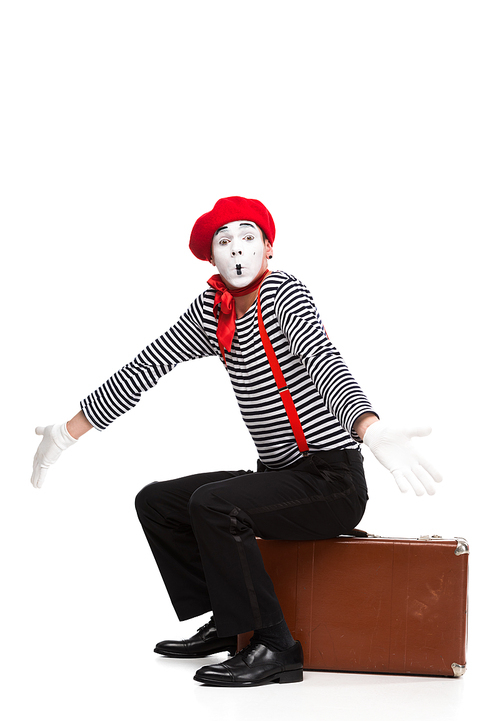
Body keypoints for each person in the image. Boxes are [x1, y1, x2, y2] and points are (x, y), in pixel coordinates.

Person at [31, 196, 442, 687]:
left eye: (249, 238)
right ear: (211, 258)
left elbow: (321, 359)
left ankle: (276, 646)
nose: (238, 250)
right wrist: (67, 432)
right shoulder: (214, 311)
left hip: (331, 481)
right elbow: (147, 366)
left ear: (269, 248)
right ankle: (232, 627)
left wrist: (368, 426)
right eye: (224, 241)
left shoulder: (285, 295)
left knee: (214, 504)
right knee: (158, 501)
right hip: (278, 477)